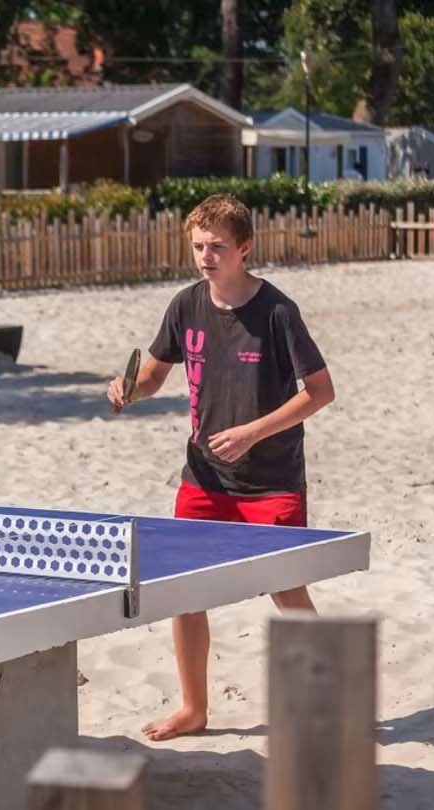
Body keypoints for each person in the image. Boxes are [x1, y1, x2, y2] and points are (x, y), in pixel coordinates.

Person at [106, 193, 336, 742]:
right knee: (184, 592)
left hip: (271, 481)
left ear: (245, 248)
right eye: (198, 247)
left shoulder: (277, 311)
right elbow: (154, 376)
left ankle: (329, 705)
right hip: (203, 479)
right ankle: (193, 709)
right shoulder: (185, 305)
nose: (206, 257)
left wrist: (253, 431)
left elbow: (320, 392)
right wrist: (128, 390)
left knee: (287, 591)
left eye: (217, 247)